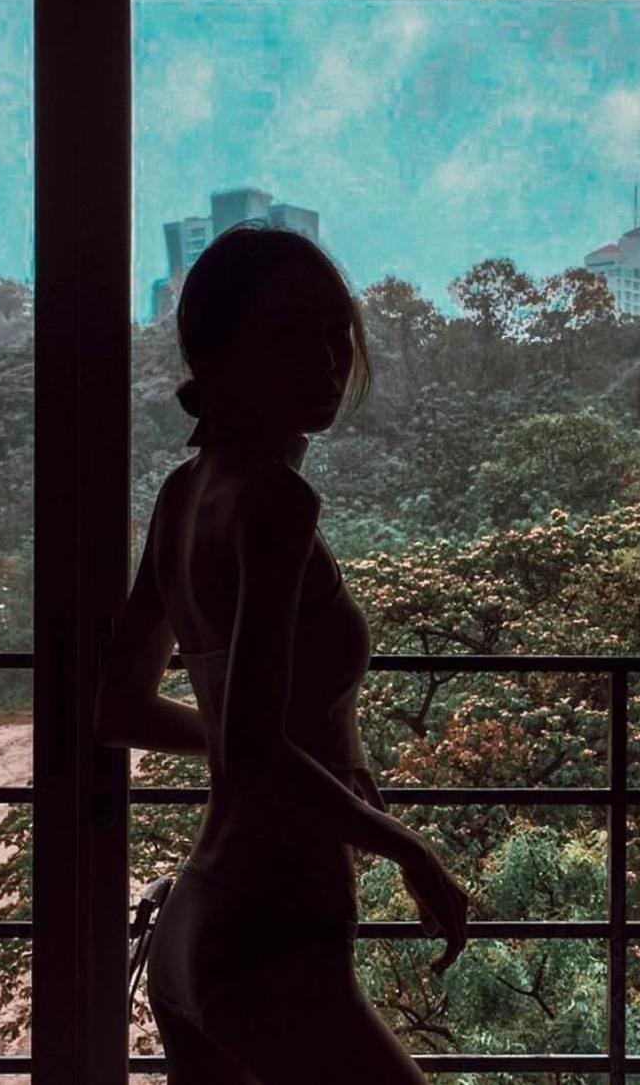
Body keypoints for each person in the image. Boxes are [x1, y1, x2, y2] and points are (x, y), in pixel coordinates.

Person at [98, 222, 468, 1084]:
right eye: (289, 334)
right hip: (272, 926)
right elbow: (255, 751)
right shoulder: (276, 501)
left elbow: (122, 709)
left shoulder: (183, 492)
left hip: (197, 921)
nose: (328, 359)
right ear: (220, 356)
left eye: (337, 330)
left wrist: (309, 758)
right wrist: (411, 849)